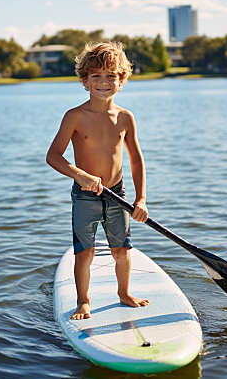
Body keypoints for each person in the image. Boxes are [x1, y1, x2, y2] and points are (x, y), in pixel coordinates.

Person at [46, 41, 149, 320]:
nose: (103, 82)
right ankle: (83, 301)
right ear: (85, 81)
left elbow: (136, 160)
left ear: (122, 80)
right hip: (85, 196)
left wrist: (140, 199)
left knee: (122, 250)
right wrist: (80, 175)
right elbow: (54, 156)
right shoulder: (75, 116)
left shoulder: (126, 118)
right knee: (85, 252)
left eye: (110, 76)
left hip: (118, 193)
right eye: (96, 76)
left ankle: (124, 293)